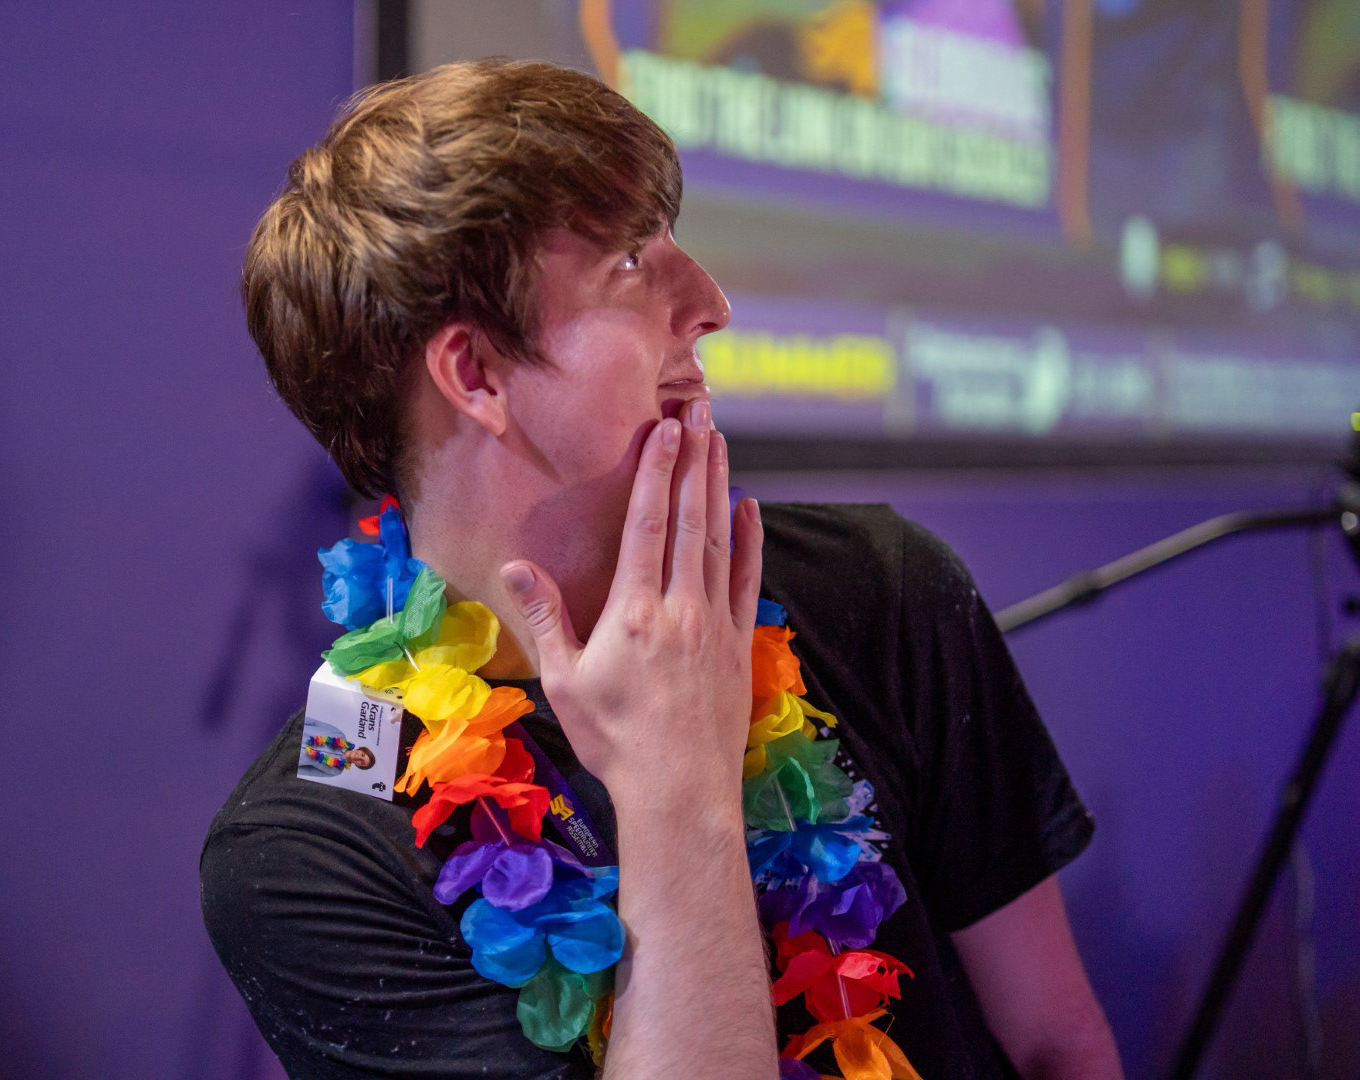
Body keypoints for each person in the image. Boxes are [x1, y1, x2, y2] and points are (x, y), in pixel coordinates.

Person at [201, 58, 1123, 1080]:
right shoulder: (308, 844)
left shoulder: (878, 586)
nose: (713, 304)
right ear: (476, 373)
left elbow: (1057, 1047)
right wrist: (676, 788)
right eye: (633, 261)